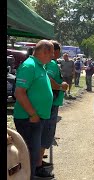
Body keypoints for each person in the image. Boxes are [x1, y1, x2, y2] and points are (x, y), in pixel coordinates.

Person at [13, 40, 54, 179]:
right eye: (52, 53)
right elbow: (19, 93)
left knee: (34, 152)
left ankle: (31, 175)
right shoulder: (29, 66)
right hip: (28, 119)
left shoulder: (40, 66)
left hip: (35, 118)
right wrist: (33, 114)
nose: (53, 56)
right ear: (44, 51)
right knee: (29, 152)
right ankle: (28, 177)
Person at [36, 40, 69, 178]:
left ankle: (37, 161)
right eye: (57, 52)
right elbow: (48, 79)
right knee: (46, 133)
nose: (57, 54)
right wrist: (61, 86)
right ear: (53, 51)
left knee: (43, 132)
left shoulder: (46, 63)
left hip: (49, 103)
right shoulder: (52, 63)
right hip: (51, 104)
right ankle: (37, 166)